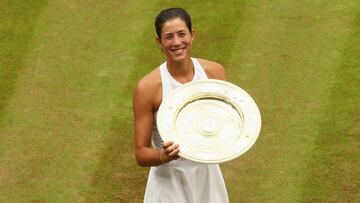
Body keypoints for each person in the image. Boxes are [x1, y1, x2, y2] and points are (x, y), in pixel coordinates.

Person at [133, 8, 229, 203]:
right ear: (159, 41)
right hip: (169, 184)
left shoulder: (215, 73)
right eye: (168, 37)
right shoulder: (148, 88)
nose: (176, 42)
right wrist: (164, 156)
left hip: (207, 178)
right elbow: (141, 153)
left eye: (182, 34)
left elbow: (227, 122)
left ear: (192, 35)